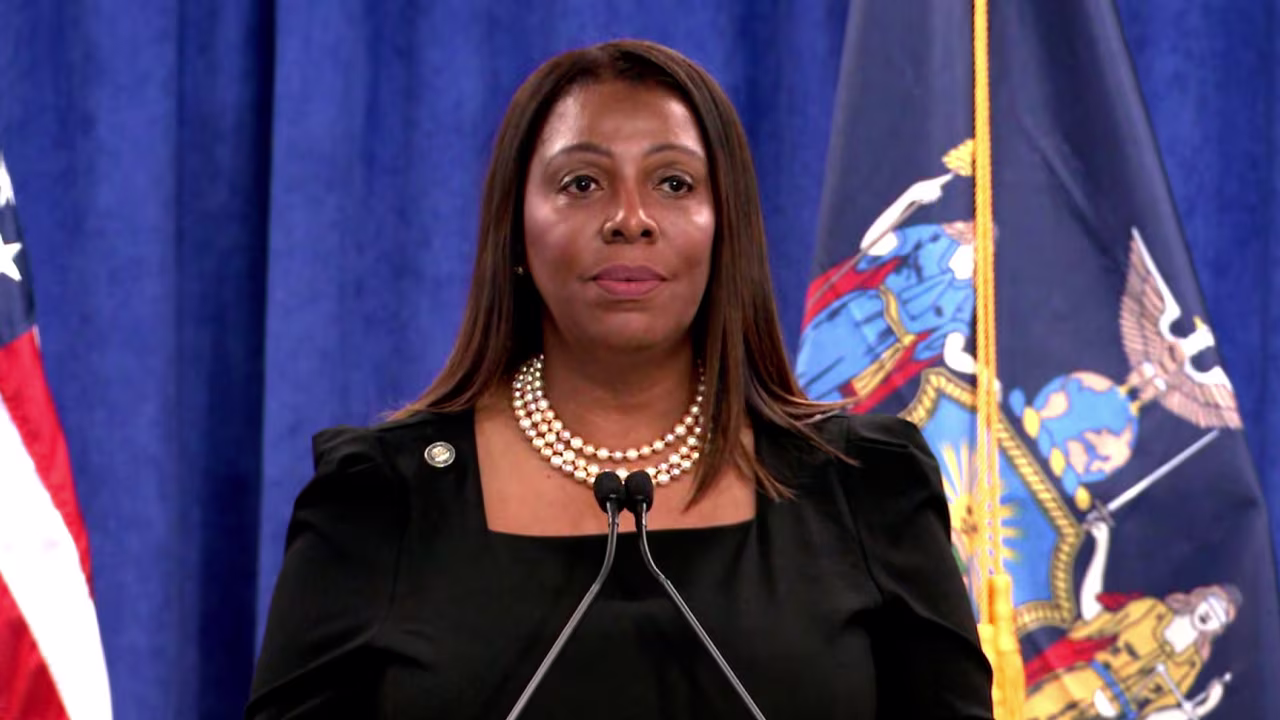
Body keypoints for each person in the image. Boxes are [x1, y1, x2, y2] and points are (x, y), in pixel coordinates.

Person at [245, 38, 994, 719]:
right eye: (581, 183)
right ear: (516, 231)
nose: (630, 218)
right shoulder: (382, 498)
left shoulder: (865, 486)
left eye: (673, 183)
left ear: (726, 229)